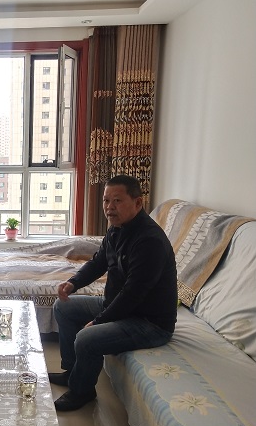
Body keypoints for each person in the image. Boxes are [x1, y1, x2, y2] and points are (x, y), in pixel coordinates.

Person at [50, 175, 177, 411]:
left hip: (149, 322)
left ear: (137, 203)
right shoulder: (116, 229)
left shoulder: (149, 241)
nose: (109, 207)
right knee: (63, 306)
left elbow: (133, 293)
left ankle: (82, 391)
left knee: (87, 338)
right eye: (106, 200)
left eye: (117, 201)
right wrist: (73, 283)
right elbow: (99, 262)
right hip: (120, 307)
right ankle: (72, 371)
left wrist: (99, 321)